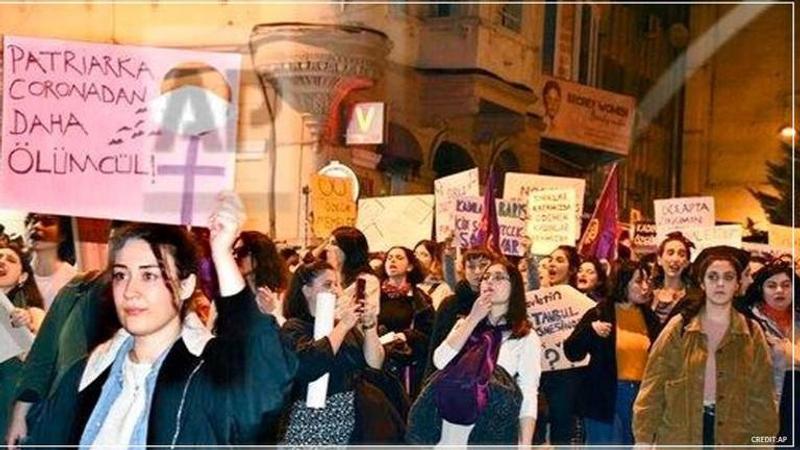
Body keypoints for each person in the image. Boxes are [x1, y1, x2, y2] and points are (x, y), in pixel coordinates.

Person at [26, 193, 297, 446]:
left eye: (149, 275)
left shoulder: (205, 377)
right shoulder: (88, 372)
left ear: (186, 286)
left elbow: (262, 390)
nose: (130, 291)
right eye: (121, 275)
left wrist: (222, 254)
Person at [633, 246, 778, 446]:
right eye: (712, 277)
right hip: (681, 433)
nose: (720, 284)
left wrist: (764, 443)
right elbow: (653, 387)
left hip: (733, 437)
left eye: (728, 277)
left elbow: (763, 399)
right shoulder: (680, 326)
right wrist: (643, 439)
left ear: (737, 284)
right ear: (702, 283)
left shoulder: (751, 333)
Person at [408, 260, 540, 446]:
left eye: (499, 277)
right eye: (486, 277)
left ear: (515, 287)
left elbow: (528, 391)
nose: (489, 281)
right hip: (448, 425)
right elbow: (440, 360)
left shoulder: (525, 336)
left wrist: (525, 444)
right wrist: (473, 319)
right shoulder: (465, 324)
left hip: (490, 427)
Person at [279, 261, 385, 445]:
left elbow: (375, 363)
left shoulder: (343, 326)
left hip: (352, 418)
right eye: (328, 285)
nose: (336, 291)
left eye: (338, 284)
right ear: (307, 290)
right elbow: (310, 365)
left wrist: (369, 326)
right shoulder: (294, 328)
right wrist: (343, 326)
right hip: (310, 421)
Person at [564, 261, 661, 446]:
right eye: (639, 281)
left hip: (641, 395)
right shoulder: (600, 312)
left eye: (647, 281)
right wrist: (590, 330)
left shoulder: (650, 318)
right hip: (606, 395)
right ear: (623, 283)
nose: (645, 287)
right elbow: (572, 351)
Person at [739, 259, 799, 443]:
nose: (780, 291)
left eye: (786, 285)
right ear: (760, 289)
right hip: (764, 401)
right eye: (772, 286)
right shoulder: (748, 320)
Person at [535, 245, 584, 445]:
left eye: (560, 260)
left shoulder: (582, 303)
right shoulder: (536, 299)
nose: (553, 264)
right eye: (551, 259)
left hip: (567, 377)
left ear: (572, 269)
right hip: (538, 374)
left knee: (562, 432)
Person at [424, 246, 495, 379]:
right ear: (463, 269)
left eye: (483, 265)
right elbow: (436, 345)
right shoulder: (450, 304)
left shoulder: (499, 303)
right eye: (471, 267)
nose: (478, 271)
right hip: (453, 376)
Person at [0, 243, 45, 435]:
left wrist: (24, 333)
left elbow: (43, 362)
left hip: (15, 403)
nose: (2, 262)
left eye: (10, 260)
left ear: (23, 277)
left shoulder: (34, 314)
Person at [378, 246, 434, 398]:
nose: (392, 261)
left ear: (410, 266)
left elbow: (429, 333)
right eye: (389, 258)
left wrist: (406, 336)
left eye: (399, 258)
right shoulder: (373, 294)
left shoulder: (420, 299)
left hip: (406, 367)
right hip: (377, 361)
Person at [232, 231, 289, 324]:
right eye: (233, 253)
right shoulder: (228, 292)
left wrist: (273, 312)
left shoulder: (280, 294)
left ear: (259, 254)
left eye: (242, 252)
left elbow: (288, 333)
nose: (235, 257)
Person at [24, 214, 77, 310]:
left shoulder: (72, 280)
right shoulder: (16, 271)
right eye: (33, 221)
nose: (36, 226)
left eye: (47, 222)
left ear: (63, 235)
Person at [650, 232, 697, 325]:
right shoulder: (648, 293)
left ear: (687, 262)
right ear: (659, 260)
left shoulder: (694, 297)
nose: (675, 259)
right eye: (670, 253)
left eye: (681, 254)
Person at [414, 240, 454, 310]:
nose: (417, 258)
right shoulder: (408, 285)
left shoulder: (442, 289)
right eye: (415, 254)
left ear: (434, 261)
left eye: (424, 255)